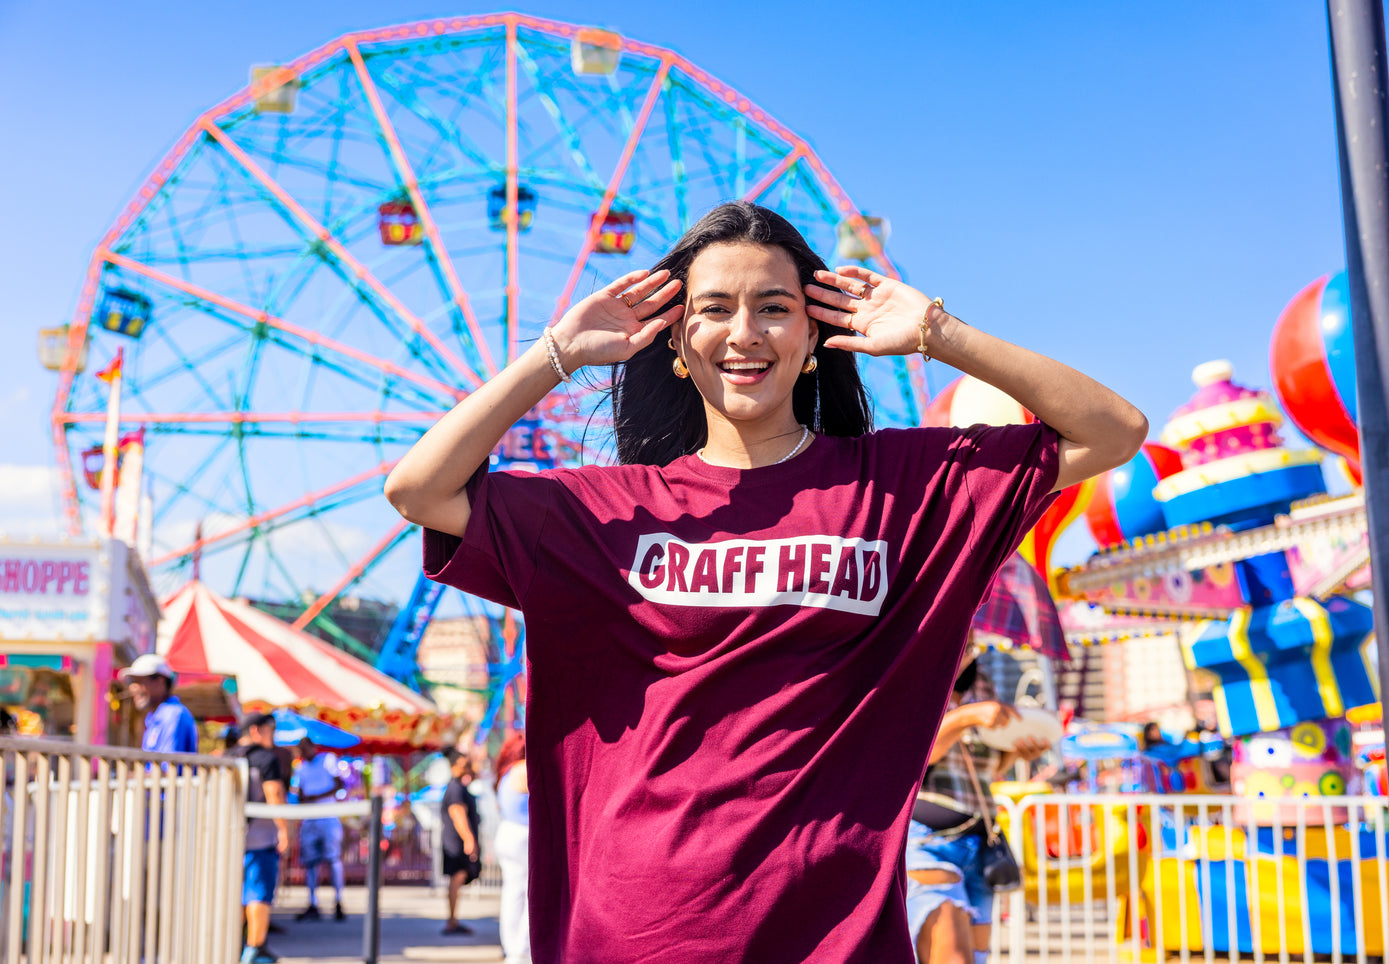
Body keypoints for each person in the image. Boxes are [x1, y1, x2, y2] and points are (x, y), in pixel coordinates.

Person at [384, 200, 1146, 961]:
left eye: (773, 308)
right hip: (635, 923)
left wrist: (936, 335)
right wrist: (558, 352)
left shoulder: (903, 488)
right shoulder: (605, 512)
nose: (743, 332)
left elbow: (1112, 430)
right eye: (713, 308)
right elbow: (418, 489)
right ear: (676, 338)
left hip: (834, 934)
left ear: (814, 335)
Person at [907, 655, 1053, 964]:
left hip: (979, 843)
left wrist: (1020, 749)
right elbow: (917, 756)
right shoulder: (915, 666)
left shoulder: (980, 677)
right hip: (929, 843)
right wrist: (966, 717)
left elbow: (989, 764)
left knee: (976, 958)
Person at [237, 711, 290, 964]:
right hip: (259, 840)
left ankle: (235, 946)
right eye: (271, 729)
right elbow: (274, 795)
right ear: (257, 730)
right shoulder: (266, 759)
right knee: (258, 894)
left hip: (229, 840)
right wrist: (284, 830)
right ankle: (255, 948)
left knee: (235, 895)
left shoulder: (226, 757)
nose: (274, 735)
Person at [293, 738, 346, 922]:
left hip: (328, 816)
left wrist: (317, 797)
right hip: (310, 819)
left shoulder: (328, 760)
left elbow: (340, 784)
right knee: (310, 862)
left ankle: (338, 901)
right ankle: (313, 902)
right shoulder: (301, 768)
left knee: (333, 860)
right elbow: (299, 793)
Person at [494, 733, 531, 963]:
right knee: (529, 894)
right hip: (522, 833)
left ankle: (511, 948)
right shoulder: (524, 769)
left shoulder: (505, 773)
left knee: (512, 893)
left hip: (506, 831)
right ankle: (521, 949)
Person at [439, 747, 481, 936]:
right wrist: (469, 839)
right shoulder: (455, 787)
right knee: (457, 877)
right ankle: (452, 920)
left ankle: (453, 919)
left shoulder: (458, 785)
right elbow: (457, 813)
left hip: (455, 841)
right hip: (455, 843)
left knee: (458, 877)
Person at [124, 653, 197, 754]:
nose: (133, 688)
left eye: (140, 682)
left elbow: (168, 767)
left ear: (160, 681)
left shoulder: (173, 715)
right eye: (133, 682)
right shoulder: (154, 716)